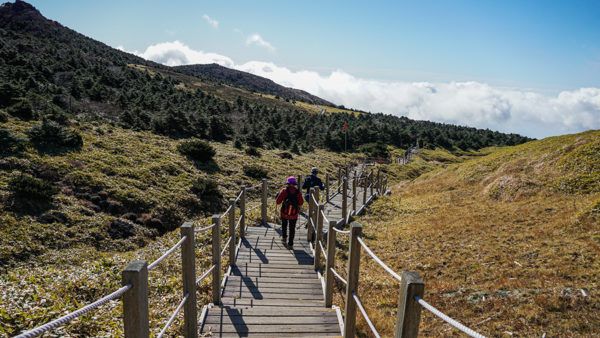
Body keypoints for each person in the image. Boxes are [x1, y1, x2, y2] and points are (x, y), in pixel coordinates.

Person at [275, 176, 304, 248]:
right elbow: (301, 203)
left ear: (287, 183)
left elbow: (278, 202)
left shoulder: (284, 191)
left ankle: (284, 238)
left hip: (284, 212)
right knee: (292, 228)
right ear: (294, 184)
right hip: (294, 214)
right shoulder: (297, 192)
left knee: (284, 225)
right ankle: (290, 244)